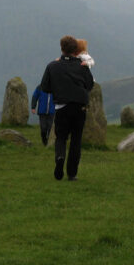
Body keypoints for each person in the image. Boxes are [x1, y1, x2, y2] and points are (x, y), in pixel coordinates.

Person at [39, 35, 94, 181]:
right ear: (75, 49)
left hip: (61, 106)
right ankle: (72, 174)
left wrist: (58, 89)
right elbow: (89, 85)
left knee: (61, 137)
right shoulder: (82, 66)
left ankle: (59, 157)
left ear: (61, 48)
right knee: (76, 139)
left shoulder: (52, 66)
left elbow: (45, 87)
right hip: (80, 106)